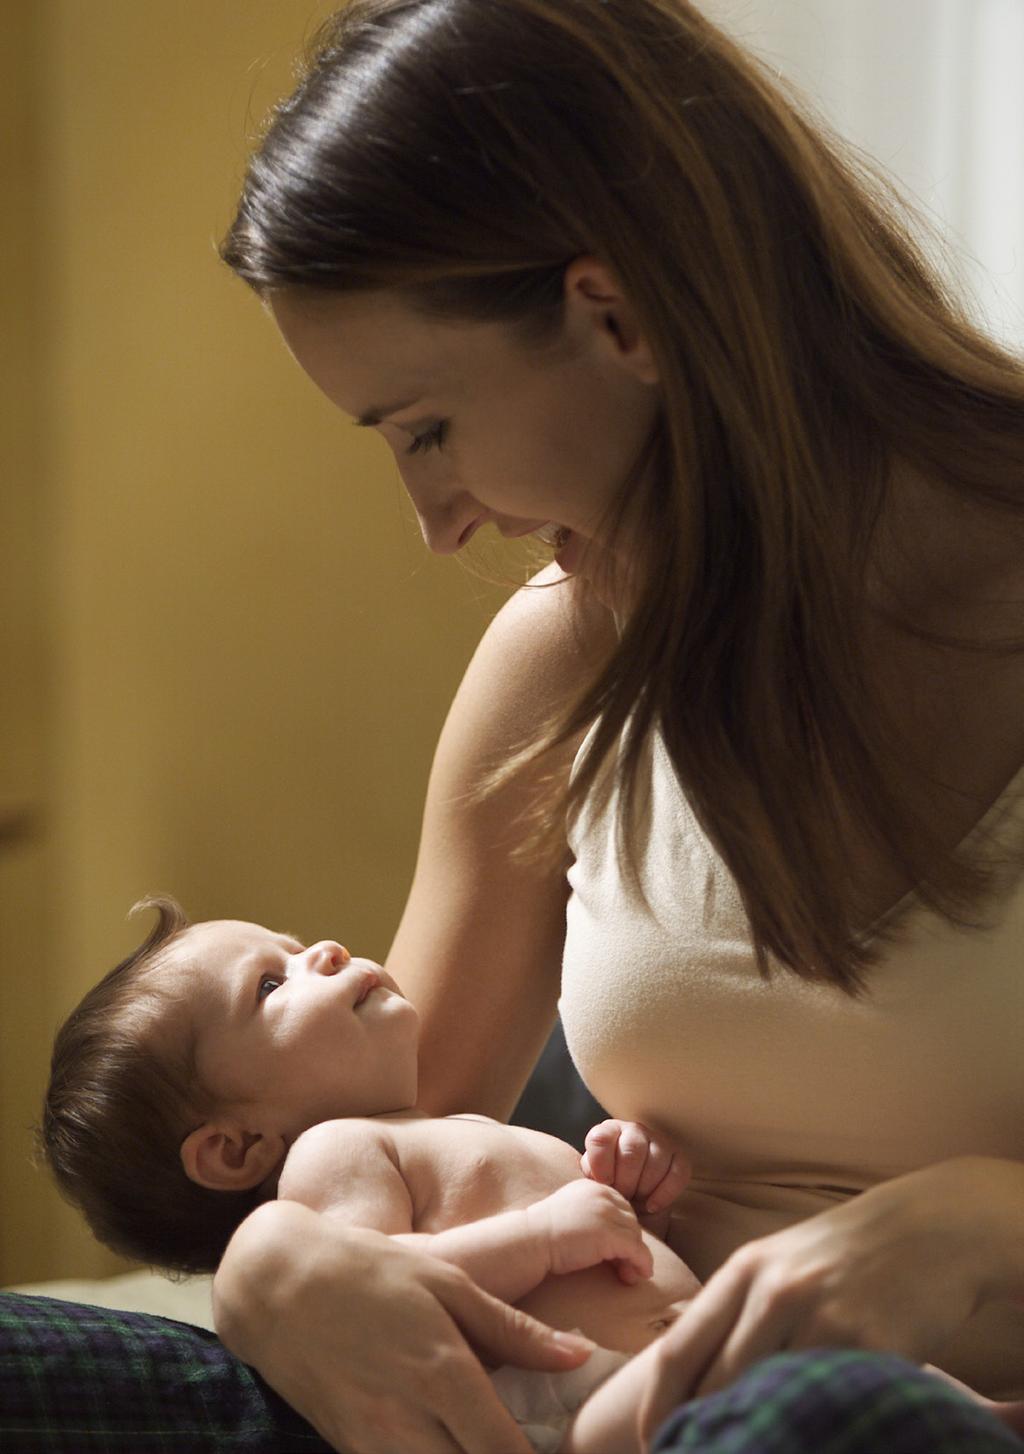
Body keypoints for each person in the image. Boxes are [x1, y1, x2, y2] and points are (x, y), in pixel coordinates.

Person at [5, 0, 1024, 1449]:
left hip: (894, 1416)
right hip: (555, 1397)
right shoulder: (556, 662)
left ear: (618, 315)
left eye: (423, 427)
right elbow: (379, 1127)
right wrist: (276, 1266)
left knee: (819, 1422)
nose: (436, 524)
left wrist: (982, 1235)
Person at [41, 896, 700, 1453]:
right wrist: (545, 1236)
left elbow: (605, 1269)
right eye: (270, 985)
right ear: (237, 1149)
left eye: (293, 947)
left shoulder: (449, 1132)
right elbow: (391, 1286)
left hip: (664, 1365)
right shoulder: (336, 1151)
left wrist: (636, 1207)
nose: (324, 951)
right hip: (573, 1404)